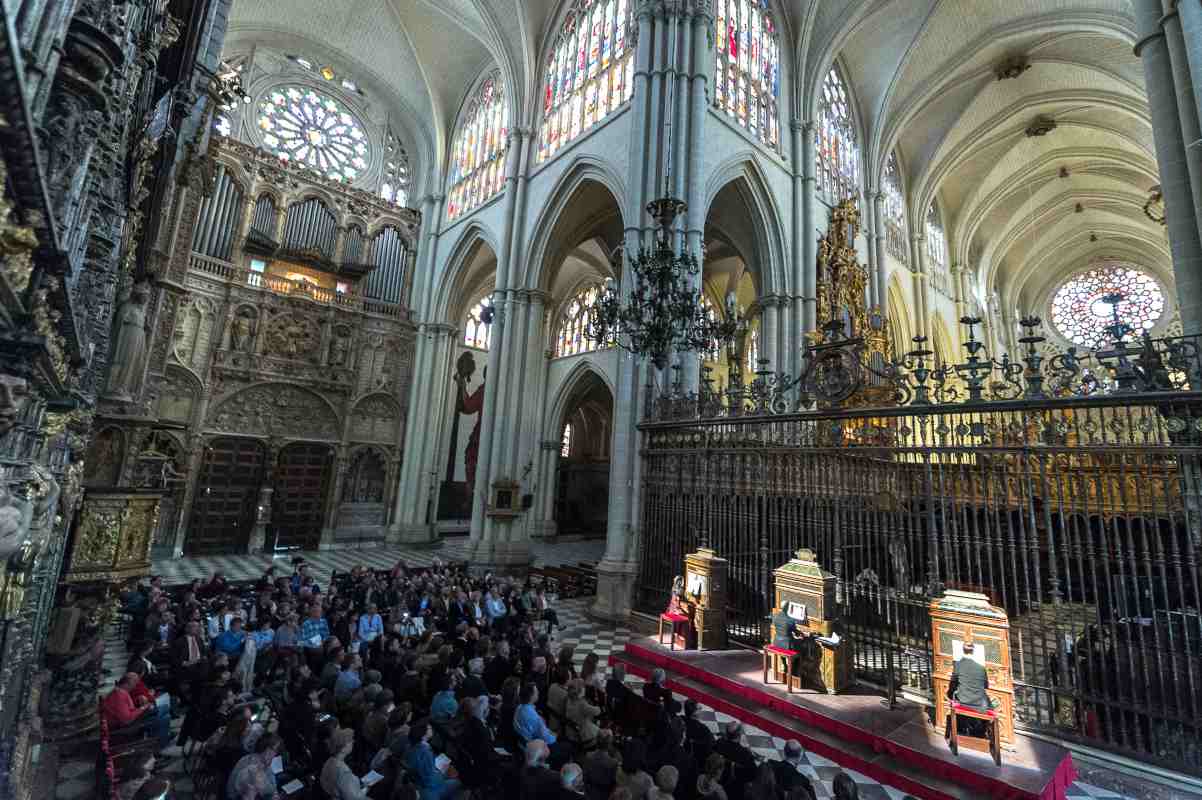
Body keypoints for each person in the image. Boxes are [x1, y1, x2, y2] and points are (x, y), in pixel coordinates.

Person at [102, 673, 170, 748]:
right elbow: (126, 720)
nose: (135, 686)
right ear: (129, 683)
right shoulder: (119, 695)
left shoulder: (121, 692)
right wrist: (142, 708)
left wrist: (140, 704)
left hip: (131, 721)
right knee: (163, 717)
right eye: (135, 684)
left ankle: (162, 737)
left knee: (162, 710)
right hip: (125, 727)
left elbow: (129, 710)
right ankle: (161, 744)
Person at [404, 719, 461, 800]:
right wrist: (443, 775)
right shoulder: (426, 752)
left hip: (418, 780)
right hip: (426, 787)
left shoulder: (410, 745)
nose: (432, 729)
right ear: (423, 735)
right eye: (430, 729)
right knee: (456, 782)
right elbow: (429, 780)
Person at [948, 641, 991, 738]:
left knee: (953, 697)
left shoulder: (958, 665)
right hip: (980, 703)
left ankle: (960, 730)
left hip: (963, 701)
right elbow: (986, 685)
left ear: (962, 650)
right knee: (990, 704)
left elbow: (953, 683)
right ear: (973, 651)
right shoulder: (981, 667)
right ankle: (981, 732)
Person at [227, 733, 282, 800]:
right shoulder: (251, 765)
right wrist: (273, 794)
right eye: (273, 750)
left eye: (276, 751)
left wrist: (275, 793)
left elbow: (271, 784)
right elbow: (264, 790)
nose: (275, 754)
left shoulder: (263, 762)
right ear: (265, 748)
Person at [321, 727, 371, 800]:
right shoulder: (344, 772)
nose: (353, 741)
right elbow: (354, 798)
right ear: (343, 749)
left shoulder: (328, 762)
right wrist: (366, 788)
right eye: (350, 740)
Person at [712, 722, 756, 800]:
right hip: (736, 790)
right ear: (739, 735)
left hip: (717, 780)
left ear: (726, 734)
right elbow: (752, 776)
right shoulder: (745, 754)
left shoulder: (719, 743)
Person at [582, 730, 619, 800]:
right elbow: (612, 786)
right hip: (602, 796)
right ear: (609, 744)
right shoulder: (613, 763)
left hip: (587, 794)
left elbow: (584, 777)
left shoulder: (588, 756)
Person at [564, 679, 600, 748]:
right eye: (584, 687)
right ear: (580, 691)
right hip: (581, 734)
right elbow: (597, 712)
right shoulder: (582, 704)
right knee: (600, 730)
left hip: (570, 731)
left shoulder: (568, 699)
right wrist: (599, 707)